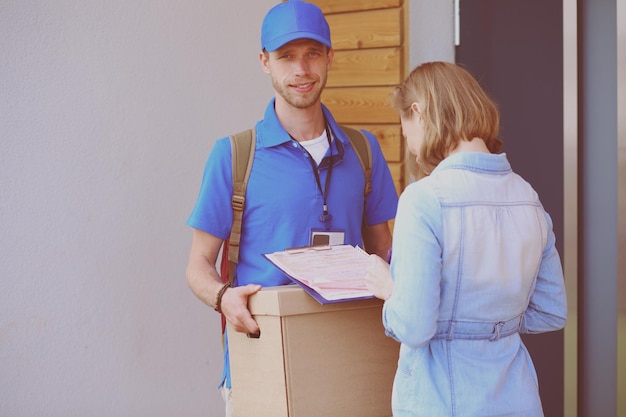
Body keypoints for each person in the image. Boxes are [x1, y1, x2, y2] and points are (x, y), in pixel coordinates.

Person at [185, 0, 399, 414]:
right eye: (286, 57)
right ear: (265, 62)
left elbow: (383, 254)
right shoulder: (234, 155)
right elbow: (197, 266)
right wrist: (223, 297)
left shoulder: (365, 150)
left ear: (330, 57)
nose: (300, 70)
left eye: (312, 54)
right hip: (261, 359)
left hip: (352, 359)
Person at [365, 61, 567, 417]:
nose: (410, 145)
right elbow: (551, 311)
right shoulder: (528, 197)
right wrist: (491, 322)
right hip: (518, 398)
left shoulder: (424, 199)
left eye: (405, 129)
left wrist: (389, 286)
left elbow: (414, 326)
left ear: (419, 113)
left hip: (442, 400)